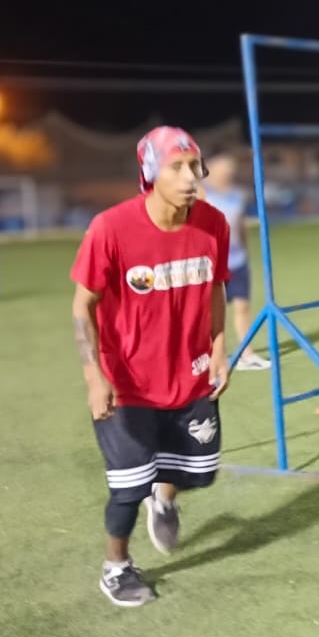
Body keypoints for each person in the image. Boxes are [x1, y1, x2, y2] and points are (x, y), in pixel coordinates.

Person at [71, 126, 233, 607]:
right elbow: (83, 305)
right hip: (127, 383)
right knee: (127, 486)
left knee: (194, 469)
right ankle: (116, 567)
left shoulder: (214, 224)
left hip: (191, 375)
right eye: (176, 168)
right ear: (149, 174)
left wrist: (220, 348)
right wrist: (94, 376)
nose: (190, 177)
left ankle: (164, 500)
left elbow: (216, 287)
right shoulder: (111, 228)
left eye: (194, 166)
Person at [201, 153, 270, 372]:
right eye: (223, 165)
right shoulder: (199, 193)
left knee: (242, 306)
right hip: (210, 264)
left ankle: (246, 354)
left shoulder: (238, 194)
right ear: (210, 166)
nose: (227, 170)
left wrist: (246, 252)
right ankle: (209, 355)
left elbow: (240, 225)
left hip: (237, 261)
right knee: (209, 312)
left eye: (230, 166)